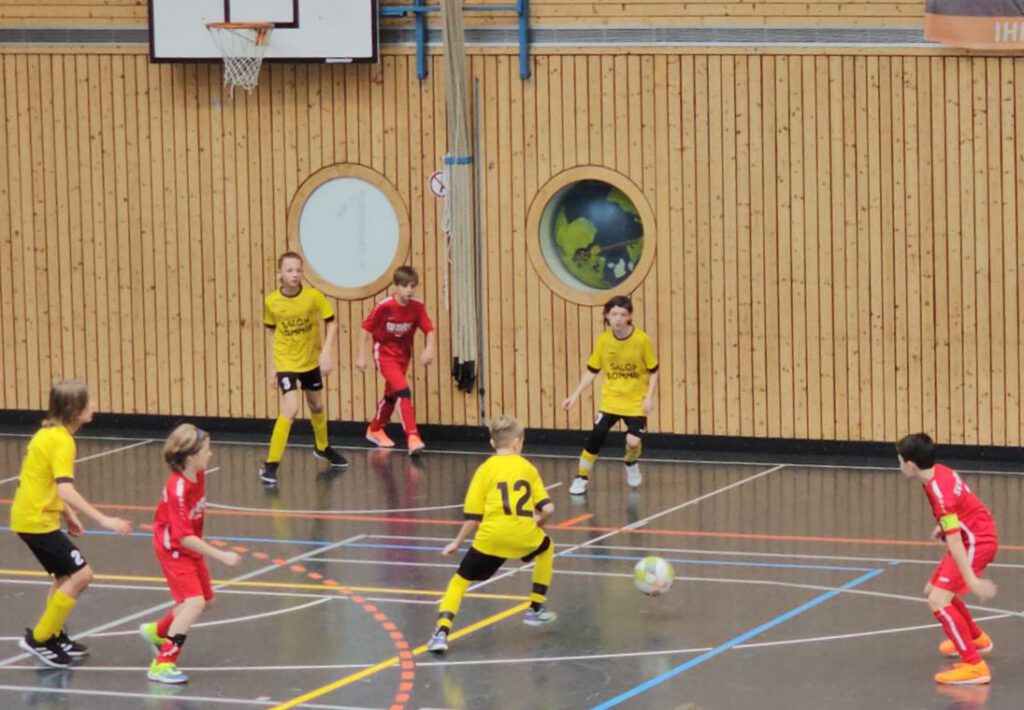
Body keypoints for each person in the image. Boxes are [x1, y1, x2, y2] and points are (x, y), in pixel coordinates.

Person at [11, 379, 132, 667]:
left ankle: (53, 634)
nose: (94, 406)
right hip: (36, 521)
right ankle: (39, 638)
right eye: (88, 403)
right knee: (82, 575)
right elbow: (65, 488)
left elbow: (42, 480)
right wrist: (104, 519)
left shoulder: (47, 434)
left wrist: (67, 514)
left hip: (33, 516)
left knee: (64, 578)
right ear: (74, 410)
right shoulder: (62, 441)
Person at [426, 415, 556, 654]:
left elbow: (473, 518)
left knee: (460, 581)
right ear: (517, 442)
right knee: (546, 547)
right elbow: (548, 508)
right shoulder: (527, 468)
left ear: (492, 443)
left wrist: (457, 542)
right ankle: (536, 606)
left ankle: (441, 633)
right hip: (524, 536)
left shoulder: (485, 470)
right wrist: (539, 523)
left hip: (491, 539)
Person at [139, 424, 241, 684]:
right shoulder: (178, 488)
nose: (210, 454)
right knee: (194, 603)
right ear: (190, 456)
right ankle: (163, 664)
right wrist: (221, 555)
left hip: (188, 546)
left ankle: (158, 631)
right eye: (206, 450)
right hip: (173, 549)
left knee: (205, 600)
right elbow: (182, 536)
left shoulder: (198, 474)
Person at [897, 432, 998, 685]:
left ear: (911, 465)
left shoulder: (940, 494)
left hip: (976, 542)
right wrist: (944, 525)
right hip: (975, 531)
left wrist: (971, 580)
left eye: (900, 460)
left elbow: (954, 541)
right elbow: (962, 505)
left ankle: (974, 666)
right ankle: (976, 639)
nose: (898, 465)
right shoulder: (940, 472)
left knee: (938, 600)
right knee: (931, 589)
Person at [259, 251, 347, 485]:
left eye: (298, 270)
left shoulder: (313, 297)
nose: (295, 274)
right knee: (292, 408)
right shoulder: (272, 302)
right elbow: (272, 332)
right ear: (280, 274)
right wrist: (272, 365)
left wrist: (326, 352)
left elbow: (332, 323)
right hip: (286, 362)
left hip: (310, 360)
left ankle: (322, 447)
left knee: (316, 405)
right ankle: (271, 464)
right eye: (289, 270)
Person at [562, 295, 659, 495]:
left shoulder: (641, 340)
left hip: (635, 401)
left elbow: (654, 370)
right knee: (596, 437)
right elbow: (592, 371)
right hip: (611, 400)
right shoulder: (604, 341)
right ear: (607, 316)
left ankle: (631, 461)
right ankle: (581, 477)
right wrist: (574, 395)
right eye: (614, 314)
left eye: (622, 314)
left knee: (633, 441)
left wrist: (649, 397)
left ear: (629, 316)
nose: (618, 319)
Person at [356, 265, 435, 455]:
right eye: (405, 286)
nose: (409, 290)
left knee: (392, 396)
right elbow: (366, 328)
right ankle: (413, 436)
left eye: (413, 286)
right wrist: (361, 355)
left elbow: (429, 329)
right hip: (384, 354)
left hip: (403, 355)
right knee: (403, 391)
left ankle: (375, 428)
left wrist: (429, 349)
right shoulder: (384, 306)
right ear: (396, 286)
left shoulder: (417, 307)